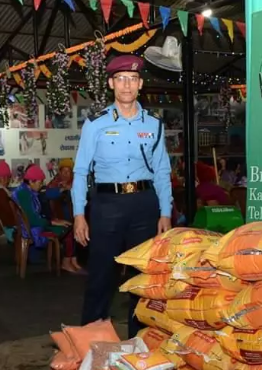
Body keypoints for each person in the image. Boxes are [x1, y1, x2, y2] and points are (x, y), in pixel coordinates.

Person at [72, 55, 173, 338]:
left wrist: (165, 212)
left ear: (140, 84)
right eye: (120, 79)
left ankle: (140, 343)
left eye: (132, 79)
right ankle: (91, 343)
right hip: (107, 206)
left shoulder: (153, 124)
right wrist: (79, 214)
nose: (126, 85)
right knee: (101, 277)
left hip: (144, 205)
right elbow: (80, 171)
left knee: (143, 280)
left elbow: (162, 170)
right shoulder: (96, 124)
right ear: (111, 83)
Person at [13, 164, 76, 272]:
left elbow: (46, 194)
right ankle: (66, 262)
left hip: (28, 226)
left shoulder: (25, 191)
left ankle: (70, 260)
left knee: (65, 224)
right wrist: (52, 222)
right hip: (31, 229)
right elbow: (33, 220)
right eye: (40, 182)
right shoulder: (25, 194)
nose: (41, 185)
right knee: (68, 226)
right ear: (31, 181)